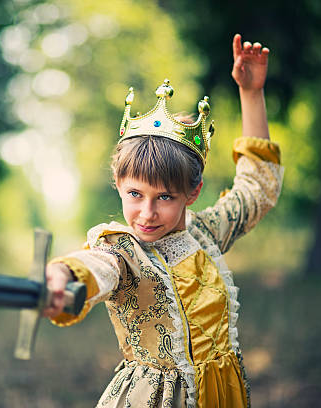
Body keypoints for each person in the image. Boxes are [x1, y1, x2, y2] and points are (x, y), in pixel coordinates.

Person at [42, 33, 283, 408]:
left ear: (193, 192)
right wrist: (63, 277)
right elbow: (97, 266)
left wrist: (251, 93)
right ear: (119, 185)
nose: (147, 213)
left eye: (165, 197)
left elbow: (257, 190)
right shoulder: (122, 251)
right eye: (135, 194)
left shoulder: (204, 233)